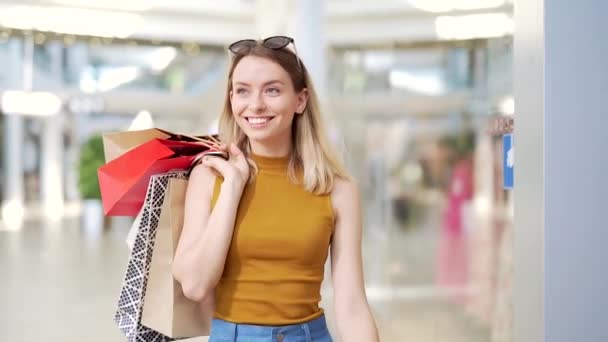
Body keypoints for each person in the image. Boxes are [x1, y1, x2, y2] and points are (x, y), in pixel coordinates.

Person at [172, 36, 379, 342]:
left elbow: (351, 305)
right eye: (243, 91)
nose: (255, 104)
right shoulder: (210, 176)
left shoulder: (337, 188)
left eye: (272, 90)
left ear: (300, 100)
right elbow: (195, 284)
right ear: (232, 99)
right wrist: (232, 188)